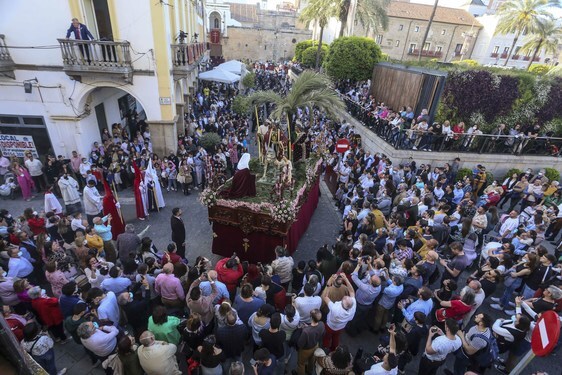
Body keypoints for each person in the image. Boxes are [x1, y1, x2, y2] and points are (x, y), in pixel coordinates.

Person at [322, 273, 356, 352]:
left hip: (330, 326)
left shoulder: (334, 308)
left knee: (327, 337)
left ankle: (325, 348)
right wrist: (346, 279)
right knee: (336, 337)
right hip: (340, 327)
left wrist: (329, 283)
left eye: (346, 297)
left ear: (342, 303)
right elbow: (352, 292)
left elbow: (325, 297)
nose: (346, 296)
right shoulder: (352, 306)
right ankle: (333, 349)